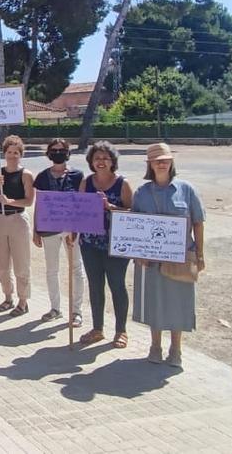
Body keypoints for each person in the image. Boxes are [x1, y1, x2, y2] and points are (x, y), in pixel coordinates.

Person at [132, 143, 206, 369]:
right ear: (149, 165)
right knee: (154, 302)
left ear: (171, 162)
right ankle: (155, 347)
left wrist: (200, 254)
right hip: (151, 259)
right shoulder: (141, 193)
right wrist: (138, 253)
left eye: (164, 159)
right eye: (156, 160)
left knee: (178, 303)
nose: (161, 163)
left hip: (181, 257)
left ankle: (176, 350)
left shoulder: (186, 189)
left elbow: (198, 222)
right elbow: (134, 226)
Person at [78, 141, 134, 349]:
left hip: (116, 244)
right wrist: (72, 232)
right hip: (90, 243)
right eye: (96, 158)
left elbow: (132, 213)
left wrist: (110, 207)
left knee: (117, 285)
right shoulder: (87, 182)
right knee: (95, 286)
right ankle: (97, 328)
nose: (101, 162)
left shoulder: (123, 183)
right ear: (91, 162)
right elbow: (80, 211)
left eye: (105, 158)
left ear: (112, 161)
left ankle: (121, 330)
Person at [32, 138, 86, 328]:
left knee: (76, 268)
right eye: (53, 150)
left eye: (61, 150)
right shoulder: (42, 177)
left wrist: (77, 228)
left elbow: (81, 204)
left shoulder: (78, 175)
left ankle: (76, 311)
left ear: (67, 152)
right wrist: (35, 229)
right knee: (51, 269)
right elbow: (39, 203)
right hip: (49, 228)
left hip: (71, 229)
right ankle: (55, 307)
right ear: (48, 153)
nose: (57, 153)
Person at [0, 135, 34, 317]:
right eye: (9, 152)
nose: (12, 156)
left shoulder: (26, 175)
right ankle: (8, 297)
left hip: (18, 220)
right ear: (4, 153)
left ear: (20, 154)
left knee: (22, 263)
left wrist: (11, 201)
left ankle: (23, 301)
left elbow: (29, 201)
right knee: (2, 264)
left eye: (16, 152)